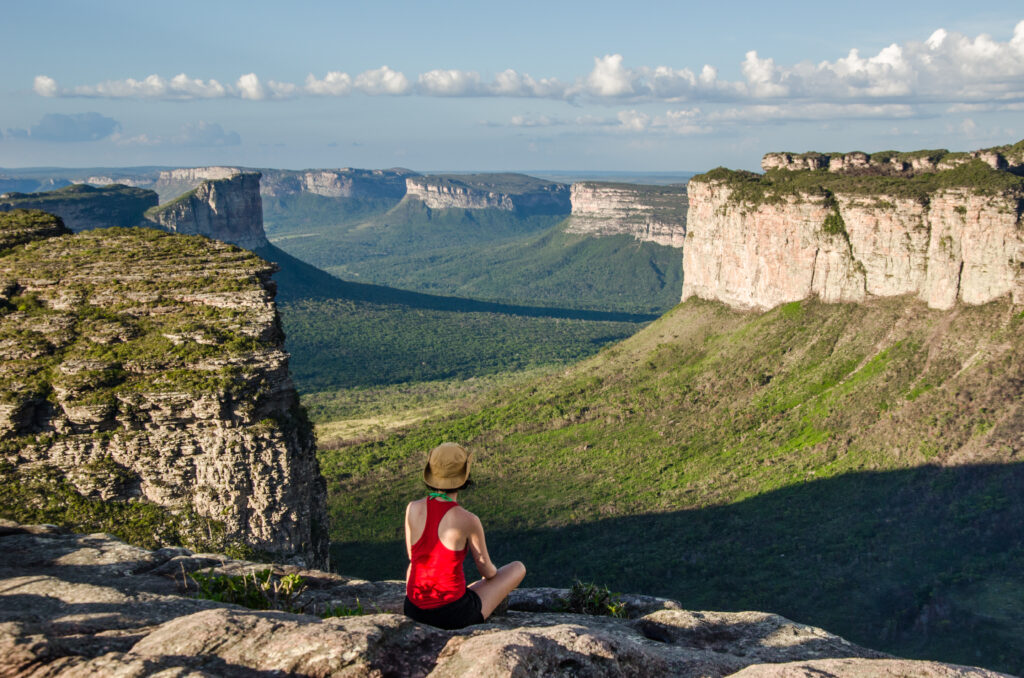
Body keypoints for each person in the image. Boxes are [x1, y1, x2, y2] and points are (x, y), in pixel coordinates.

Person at [403, 442, 526, 629]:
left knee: (414, 565)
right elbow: (488, 571)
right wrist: (489, 581)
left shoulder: (412, 508)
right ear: (464, 477)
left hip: (413, 609)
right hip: (453, 614)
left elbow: (414, 557)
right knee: (517, 568)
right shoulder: (468, 519)